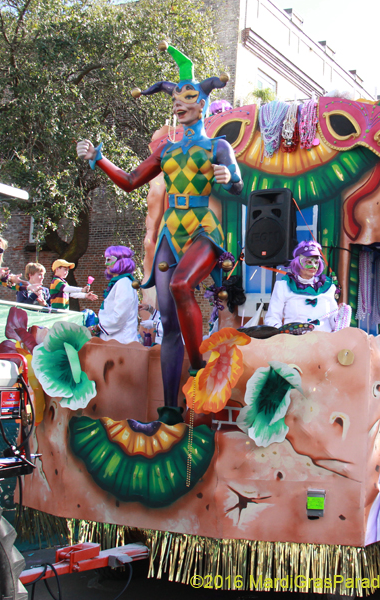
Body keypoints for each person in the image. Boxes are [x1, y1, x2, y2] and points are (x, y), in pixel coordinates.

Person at [76, 42, 242, 424]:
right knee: (168, 322)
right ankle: (169, 410)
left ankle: (198, 363)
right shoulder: (166, 152)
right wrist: (99, 157)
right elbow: (131, 181)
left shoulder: (218, 145)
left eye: (189, 98)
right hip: (172, 230)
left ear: (202, 103)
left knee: (183, 287)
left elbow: (237, 186)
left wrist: (228, 177)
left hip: (202, 228)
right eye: (176, 99)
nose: (180, 105)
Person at [265, 240, 346, 333]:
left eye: (316, 262)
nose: (313, 266)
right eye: (308, 261)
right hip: (296, 342)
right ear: (297, 263)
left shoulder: (328, 287)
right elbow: (272, 318)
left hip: (324, 342)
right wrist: (281, 335)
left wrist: (341, 317)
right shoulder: (283, 286)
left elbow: (333, 320)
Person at [89, 246, 139, 344]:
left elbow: (119, 316)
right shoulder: (120, 283)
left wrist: (97, 328)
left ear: (121, 261)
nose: (105, 263)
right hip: (114, 342)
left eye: (109, 260)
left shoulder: (123, 283)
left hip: (121, 343)